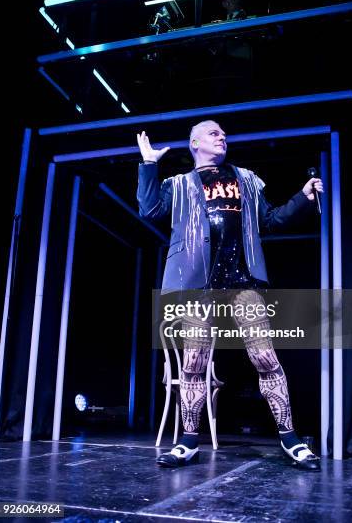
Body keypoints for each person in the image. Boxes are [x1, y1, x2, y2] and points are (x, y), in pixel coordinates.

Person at [137, 121, 323, 470]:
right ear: (194, 143)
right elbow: (149, 210)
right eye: (212, 133)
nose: (221, 136)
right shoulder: (177, 185)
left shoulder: (247, 179)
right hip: (197, 286)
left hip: (242, 283)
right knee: (193, 365)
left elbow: (270, 221)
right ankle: (188, 442)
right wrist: (148, 165)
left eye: (223, 133)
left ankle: (290, 439)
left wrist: (302, 198)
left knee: (266, 359)